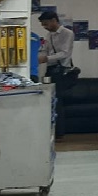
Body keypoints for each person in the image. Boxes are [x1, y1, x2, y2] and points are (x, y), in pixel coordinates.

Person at [38, 10, 76, 140]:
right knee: (50, 100)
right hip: (50, 70)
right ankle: (51, 131)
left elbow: (65, 53)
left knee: (58, 101)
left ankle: (60, 133)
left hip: (61, 70)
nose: (45, 27)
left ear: (54, 20)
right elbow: (45, 50)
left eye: (46, 23)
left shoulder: (67, 33)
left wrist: (46, 58)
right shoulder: (49, 35)